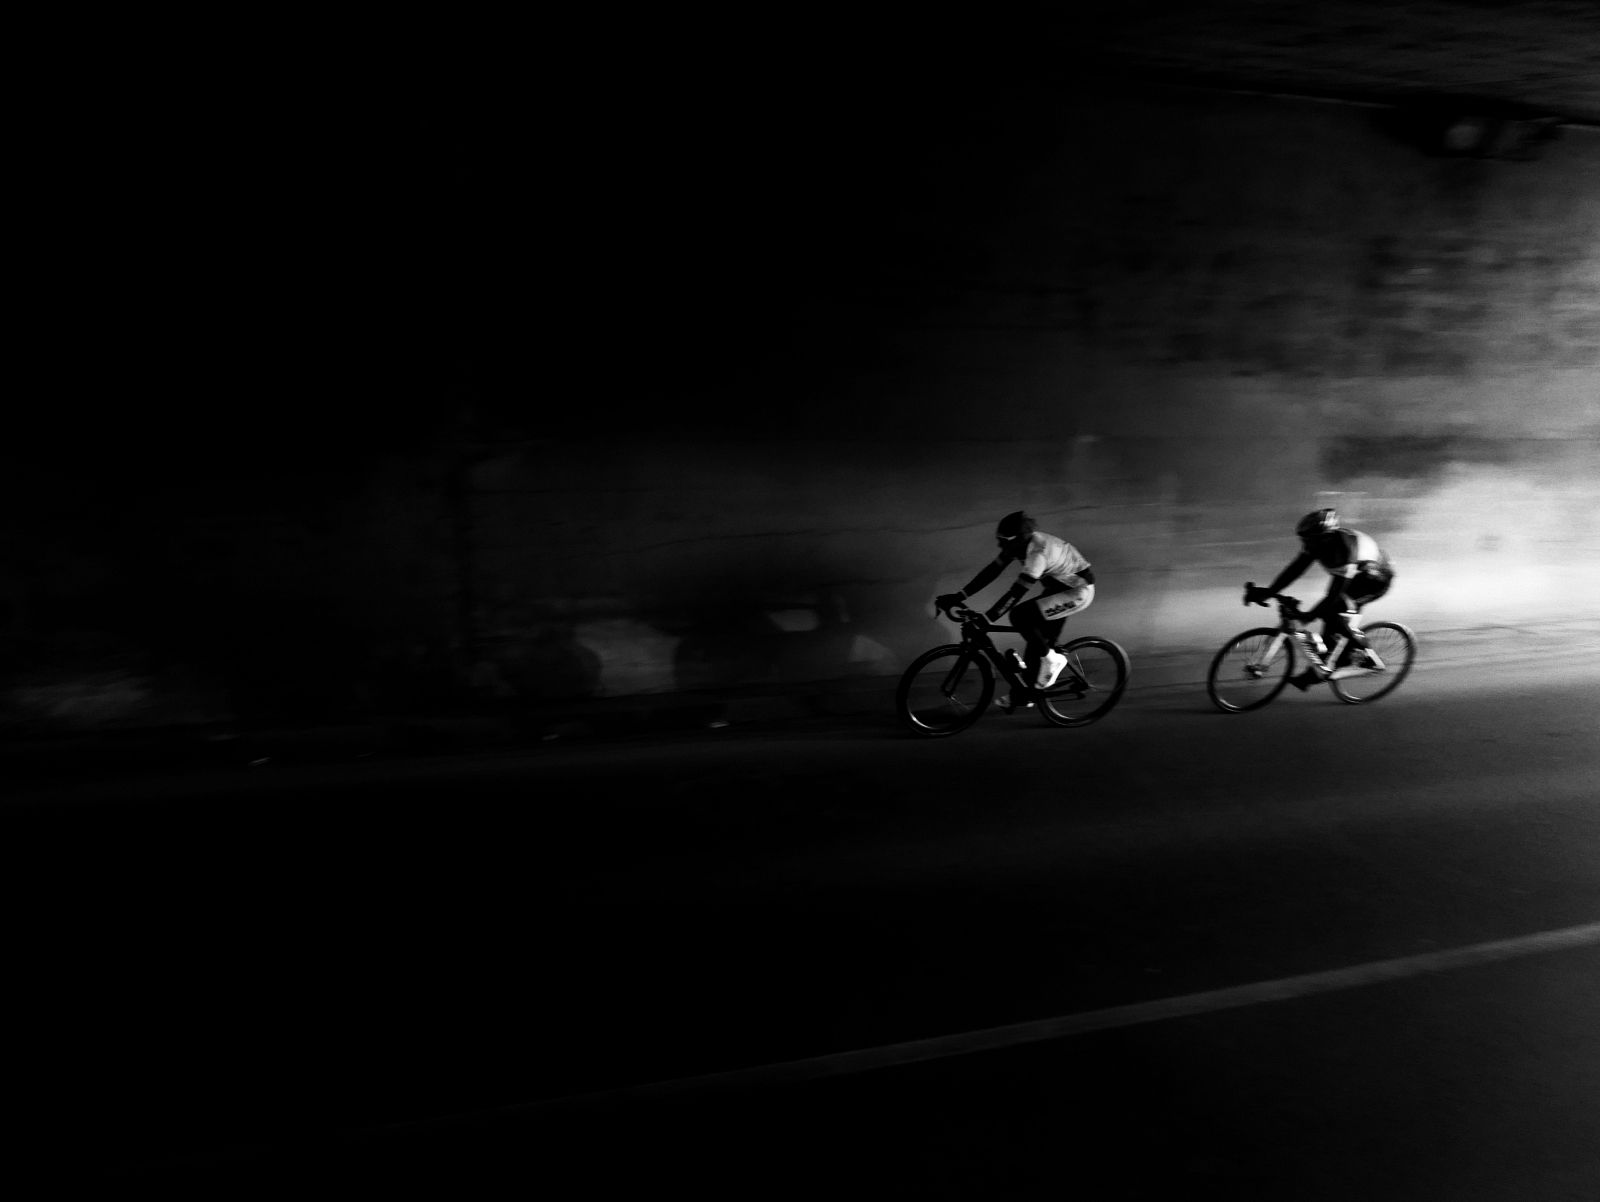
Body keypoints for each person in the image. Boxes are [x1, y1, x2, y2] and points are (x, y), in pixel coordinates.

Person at [935, 510, 1096, 696]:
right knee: (1035, 643)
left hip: (1077, 592)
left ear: (1018, 539)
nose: (999, 544)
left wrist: (988, 619)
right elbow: (991, 572)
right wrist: (959, 596)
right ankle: (1025, 695)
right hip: (1058, 589)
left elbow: (1015, 593)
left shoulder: (1037, 554)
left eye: (1003, 540)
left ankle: (1054, 660)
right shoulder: (1019, 545)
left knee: (1019, 616)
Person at [1245, 507, 1395, 690]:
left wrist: (1307, 617)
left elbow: (1333, 596)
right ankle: (1326, 666)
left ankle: (1370, 657)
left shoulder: (1344, 551)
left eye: (1310, 540)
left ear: (1325, 537)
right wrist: (1269, 592)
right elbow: (1294, 570)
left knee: (1334, 613)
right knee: (1329, 622)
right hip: (1355, 577)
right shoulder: (1317, 544)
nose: (1306, 544)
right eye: (1304, 539)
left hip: (1375, 580)